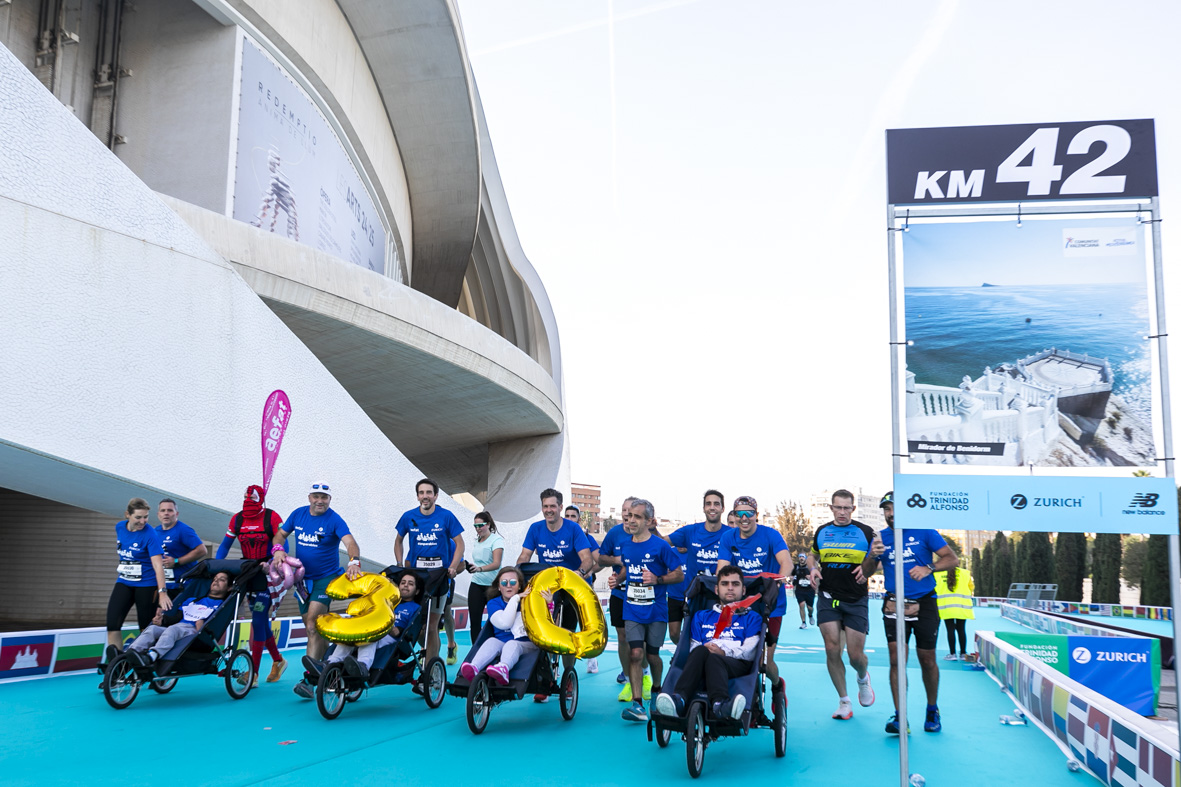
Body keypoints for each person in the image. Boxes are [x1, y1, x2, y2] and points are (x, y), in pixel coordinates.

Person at [863, 492, 958, 734]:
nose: (891, 513)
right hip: (894, 604)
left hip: (925, 603)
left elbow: (952, 558)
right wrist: (873, 555)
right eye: (886, 509)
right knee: (896, 660)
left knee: (927, 660)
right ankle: (900, 716)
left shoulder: (924, 531)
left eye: (894, 508)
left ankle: (932, 709)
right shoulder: (881, 538)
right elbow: (866, 572)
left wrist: (929, 568)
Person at [271, 482, 362, 699]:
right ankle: (331, 663)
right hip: (302, 579)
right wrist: (277, 551)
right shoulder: (298, 514)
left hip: (326, 579)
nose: (320, 501)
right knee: (314, 629)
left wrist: (354, 561)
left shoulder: (334, 519)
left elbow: (350, 542)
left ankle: (309, 681)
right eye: (316, 496)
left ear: (329, 500)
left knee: (312, 623)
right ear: (309, 497)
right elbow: (280, 535)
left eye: (325, 497)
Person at [653, 565, 762, 720]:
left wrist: (723, 652)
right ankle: (679, 699)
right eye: (725, 584)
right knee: (701, 651)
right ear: (716, 590)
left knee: (714, 657)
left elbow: (750, 651)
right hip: (703, 660)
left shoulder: (752, 617)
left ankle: (721, 704)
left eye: (735, 584)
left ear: (743, 590)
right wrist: (708, 648)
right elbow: (694, 647)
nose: (730, 588)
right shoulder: (701, 616)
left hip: (736, 663)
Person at [609, 498, 682, 722]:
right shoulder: (626, 545)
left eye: (637, 517)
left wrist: (657, 579)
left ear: (649, 521)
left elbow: (679, 574)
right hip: (632, 609)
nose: (631, 520)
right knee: (635, 653)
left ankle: (659, 690)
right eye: (629, 516)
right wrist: (617, 578)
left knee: (652, 655)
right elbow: (628, 567)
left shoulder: (660, 546)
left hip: (656, 610)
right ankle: (637, 704)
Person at [517, 487, 593, 700]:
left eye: (553, 506)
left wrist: (579, 573)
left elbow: (587, 558)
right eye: (545, 506)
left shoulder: (573, 530)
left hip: (568, 588)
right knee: (543, 633)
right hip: (545, 587)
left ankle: (568, 678)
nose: (549, 510)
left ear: (560, 507)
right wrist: (516, 576)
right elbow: (524, 555)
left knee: (567, 633)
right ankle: (545, 678)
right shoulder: (535, 529)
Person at [809, 489, 876, 721]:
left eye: (847, 508)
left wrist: (867, 568)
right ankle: (844, 701)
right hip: (828, 597)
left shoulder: (865, 532)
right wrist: (812, 568)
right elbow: (812, 556)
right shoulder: (822, 531)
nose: (842, 512)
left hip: (856, 600)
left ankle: (862, 678)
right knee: (831, 648)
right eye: (838, 507)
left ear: (853, 509)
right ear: (831, 508)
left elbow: (877, 561)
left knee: (855, 656)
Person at [716, 496, 790, 698]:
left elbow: (786, 563)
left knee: (763, 662)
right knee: (739, 652)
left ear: (756, 515)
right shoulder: (728, 538)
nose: (744, 518)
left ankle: (777, 685)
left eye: (749, 513)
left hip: (770, 604)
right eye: (739, 514)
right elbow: (722, 569)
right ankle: (744, 697)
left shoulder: (771, 535)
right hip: (741, 604)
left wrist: (778, 581)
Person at [216, 485, 288, 687]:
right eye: (246, 496)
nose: (248, 500)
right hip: (248, 572)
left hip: (268, 574)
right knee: (261, 621)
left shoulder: (272, 517)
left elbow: (285, 546)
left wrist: (273, 561)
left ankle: (253, 674)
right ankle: (278, 660)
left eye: (253, 497)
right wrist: (216, 568)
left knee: (257, 620)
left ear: (261, 499)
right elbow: (224, 546)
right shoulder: (237, 519)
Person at [394, 478, 465, 666]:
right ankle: (430, 656)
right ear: (417, 496)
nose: (425, 496)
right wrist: (400, 564)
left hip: (440, 579)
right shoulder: (408, 516)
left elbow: (460, 543)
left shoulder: (446, 516)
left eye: (428, 493)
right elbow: (398, 540)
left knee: (432, 626)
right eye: (421, 493)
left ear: (435, 495)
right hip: (418, 579)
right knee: (419, 627)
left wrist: (453, 566)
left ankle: (429, 670)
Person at [102, 498, 173, 671]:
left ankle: (146, 665)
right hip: (124, 581)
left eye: (146, 517)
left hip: (146, 586)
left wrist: (162, 592)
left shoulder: (150, 534)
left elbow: (158, 566)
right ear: (128, 515)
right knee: (112, 624)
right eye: (138, 517)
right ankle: (117, 671)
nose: (142, 521)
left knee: (145, 629)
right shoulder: (119, 527)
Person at [323, 571, 422, 682]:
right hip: (371, 627)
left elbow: (403, 630)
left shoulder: (415, 608)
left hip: (392, 635)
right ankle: (331, 663)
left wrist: (386, 627)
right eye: (403, 582)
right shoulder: (387, 600)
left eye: (410, 584)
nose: (405, 585)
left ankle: (363, 665)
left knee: (371, 635)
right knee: (351, 635)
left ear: (417, 591)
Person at [460, 566, 546, 685]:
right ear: (499, 587)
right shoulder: (493, 603)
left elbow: (545, 621)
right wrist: (515, 599)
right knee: (491, 641)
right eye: (504, 583)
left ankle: (503, 668)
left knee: (512, 644)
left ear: (520, 585)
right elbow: (504, 623)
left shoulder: (529, 601)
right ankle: (474, 667)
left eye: (513, 582)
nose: (508, 585)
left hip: (527, 643)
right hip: (502, 641)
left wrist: (549, 602)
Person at [126, 571, 231, 666]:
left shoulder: (222, 606)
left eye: (221, 580)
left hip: (194, 632)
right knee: (152, 629)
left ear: (229, 587)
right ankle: (130, 653)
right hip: (178, 627)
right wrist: (162, 620)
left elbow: (216, 626)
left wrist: (202, 627)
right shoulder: (192, 600)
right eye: (215, 579)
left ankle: (153, 655)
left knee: (173, 629)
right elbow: (177, 618)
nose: (216, 581)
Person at [668, 490, 730, 647]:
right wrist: (652, 529)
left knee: (712, 636)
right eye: (708, 504)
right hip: (694, 595)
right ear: (703, 508)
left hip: (718, 596)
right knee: (678, 635)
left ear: (723, 508)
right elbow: (661, 543)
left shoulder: (731, 534)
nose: (712, 507)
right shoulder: (690, 531)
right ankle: (686, 653)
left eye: (716, 504)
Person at [598, 496, 642, 696]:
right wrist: (615, 559)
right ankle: (627, 674)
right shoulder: (614, 533)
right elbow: (601, 557)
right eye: (624, 510)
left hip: (642, 594)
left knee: (642, 639)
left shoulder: (643, 534)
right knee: (622, 636)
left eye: (631, 511)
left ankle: (645, 673)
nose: (626, 514)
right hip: (619, 593)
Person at [566, 503, 601, 674]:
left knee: (585, 623)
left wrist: (589, 571)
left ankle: (591, 658)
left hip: (583, 587)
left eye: (573, 516)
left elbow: (600, 560)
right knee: (566, 625)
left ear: (578, 519)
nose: (570, 519)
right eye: (567, 516)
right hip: (563, 587)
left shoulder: (586, 537)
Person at [464, 511, 504, 646]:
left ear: (488, 524)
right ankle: (475, 651)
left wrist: (480, 568)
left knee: (496, 621)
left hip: (492, 586)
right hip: (476, 583)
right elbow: (478, 562)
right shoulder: (477, 541)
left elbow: (496, 564)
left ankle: (496, 649)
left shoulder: (496, 540)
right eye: (475, 526)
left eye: (480, 525)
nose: (478, 528)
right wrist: (471, 567)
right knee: (474, 621)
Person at [155, 499, 207, 599]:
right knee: (159, 614)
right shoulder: (155, 531)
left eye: (170, 510)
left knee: (176, 614)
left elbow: (202, 550)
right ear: (158, 514)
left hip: (183, 585)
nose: (166, 513)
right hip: (164, 585)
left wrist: (176, 561)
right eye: (163, 510)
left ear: (176, 513)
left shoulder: (183, 530)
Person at [936, 563, 975, 661]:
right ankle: (963, 653)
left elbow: (933, 589)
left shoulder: (938, 574)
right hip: (962, 606)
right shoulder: (965, 573)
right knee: (961, 629)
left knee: (950, 630)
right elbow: (971, 587)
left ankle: (952, 654)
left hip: (946, 607)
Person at [791, 553, 815, 629]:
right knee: (802, 605)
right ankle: (803, 623)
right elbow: (792, 575)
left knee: (810, 607)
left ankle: (810, 615)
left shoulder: (810, 567)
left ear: (805, 558)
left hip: (809, 590)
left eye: (803, 557)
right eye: (800, 557)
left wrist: (811, 576)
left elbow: (817, 575)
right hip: (799, 590)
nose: (801, 558)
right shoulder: (796, 567)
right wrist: (792, 579)